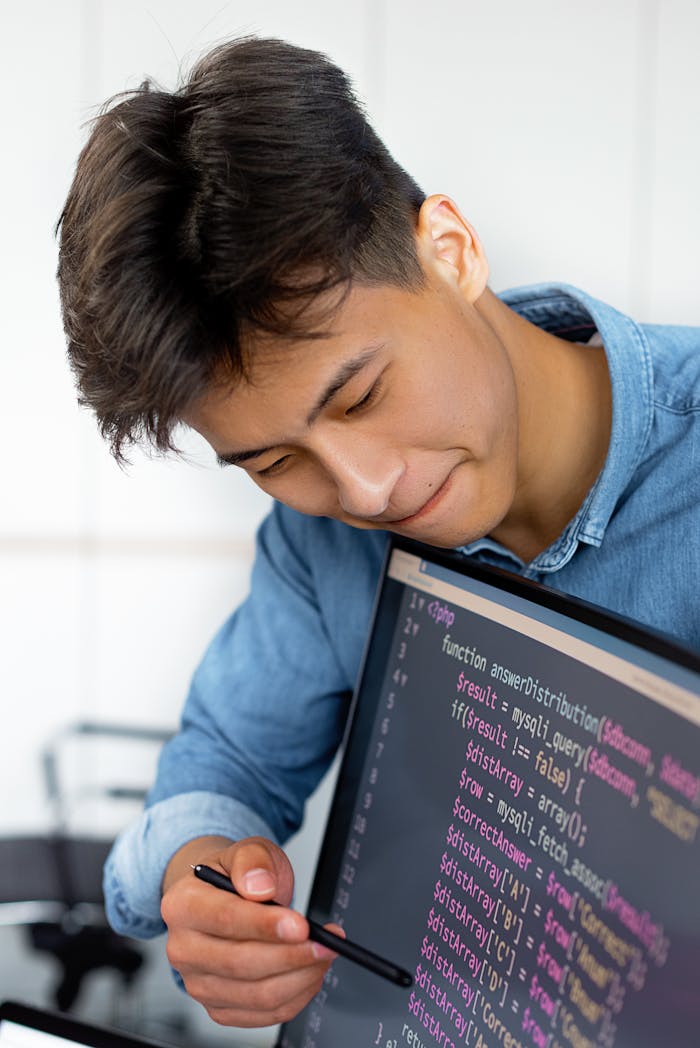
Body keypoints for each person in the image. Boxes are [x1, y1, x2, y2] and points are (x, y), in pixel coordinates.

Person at [57, 36, 700, 1030]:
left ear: (450, 250)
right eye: (273, 461)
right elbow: (223, 767)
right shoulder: (316, 545)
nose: (361, 490)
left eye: (362, 392)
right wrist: (203, 876)